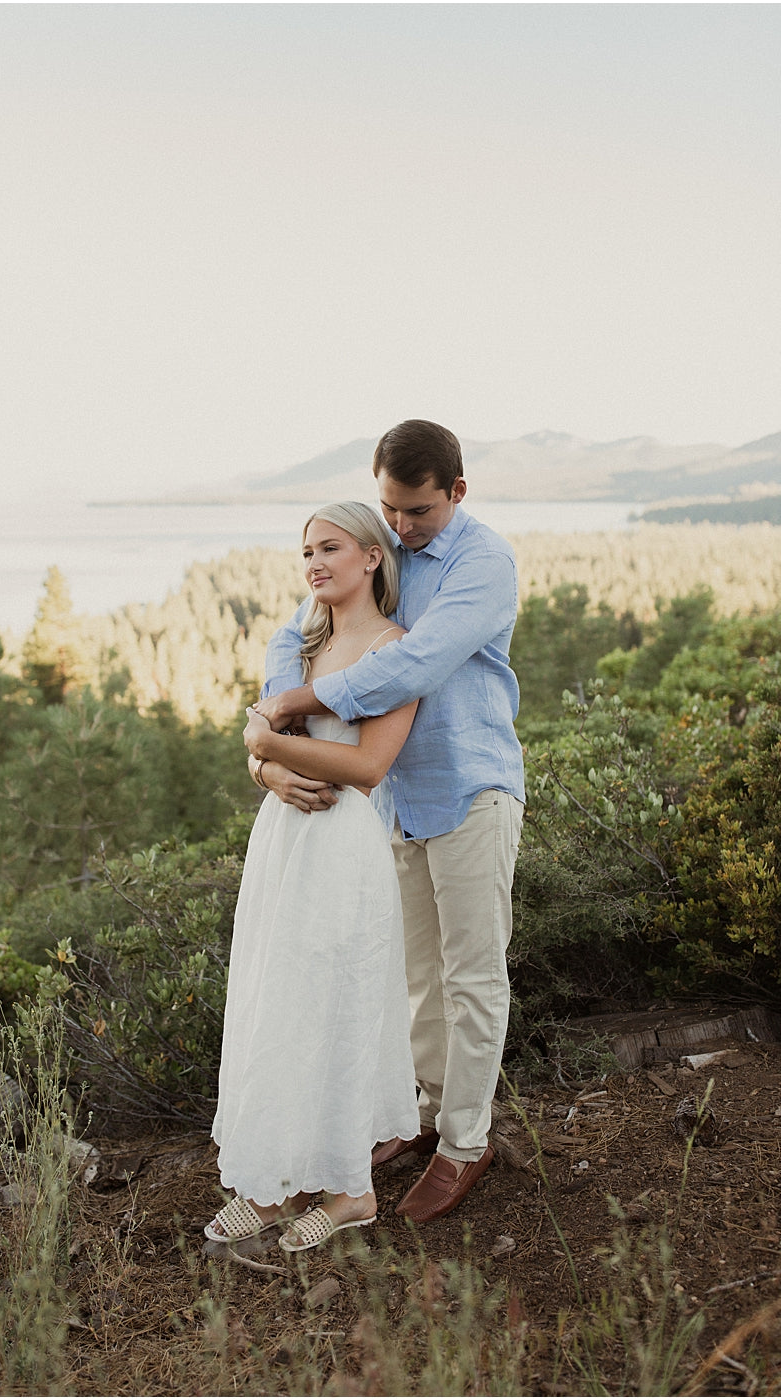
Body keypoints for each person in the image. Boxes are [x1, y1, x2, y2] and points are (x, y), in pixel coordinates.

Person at [252, 420, 525, 1225]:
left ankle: (464, 1143)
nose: (402, 528)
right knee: (414, 979)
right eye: (390, 510)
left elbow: (414, 664)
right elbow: (296, 630)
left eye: (418, 512)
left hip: (470, 784)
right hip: (391, 804)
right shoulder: (384, 548)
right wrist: (268, 730)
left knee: (472, 975)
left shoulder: (483, 562)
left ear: (456, 493)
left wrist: (290, 711)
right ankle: (426, 1115)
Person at [208, 501, 420, 1253]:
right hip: (283, 842)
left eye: (329, 548)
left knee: (335, 1001)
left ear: (371, 556)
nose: (313, 564)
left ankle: (349, 1190)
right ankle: (275, 1185)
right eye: (305, 553)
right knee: (278, 998)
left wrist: (267, 746)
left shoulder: (397, 650)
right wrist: (264, 767)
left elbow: (366, 767)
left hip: (341, 847)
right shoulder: (299, 644)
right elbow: (259, 735)